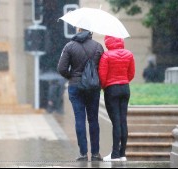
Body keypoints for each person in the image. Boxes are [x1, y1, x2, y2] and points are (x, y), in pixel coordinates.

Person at [57, 28, 104, 161]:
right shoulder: (98, 46)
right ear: (90, 32)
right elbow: (103, 67)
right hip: (93, 87)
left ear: (78, 30)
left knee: (79, 119)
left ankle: (83, 153)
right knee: (93, 119)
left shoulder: (69, 46)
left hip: (76, 87)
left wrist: (72, 76)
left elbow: (61, 68)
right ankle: (95, 153)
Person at [99, 36, 135, 162]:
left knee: (116, 122)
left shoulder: (106, 56)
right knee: (123, 121)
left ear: (108, 42)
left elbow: (102, 76)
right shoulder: (129, 54)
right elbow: (131, 73)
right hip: (125, 88)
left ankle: (114, 154)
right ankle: (122, 153)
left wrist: (105, 87)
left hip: (111, 89)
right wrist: (123, 81)